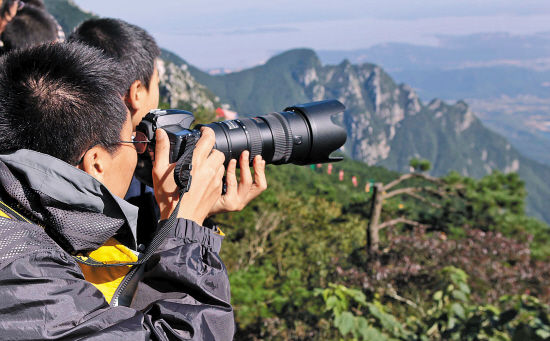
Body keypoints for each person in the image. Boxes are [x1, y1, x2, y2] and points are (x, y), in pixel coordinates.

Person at [0, 42, 246, 340]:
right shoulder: (25, 273)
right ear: (96, 163)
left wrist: (181, 217)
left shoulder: (18, 222)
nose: (140, 151)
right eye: (132, 139)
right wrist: (187, 229)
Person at [69, 18, 267, 245]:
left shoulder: (70, 153)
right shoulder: (124, 181)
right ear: (137, 92)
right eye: (157, 84)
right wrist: (187, 221)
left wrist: (200, 210)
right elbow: (148, 274)